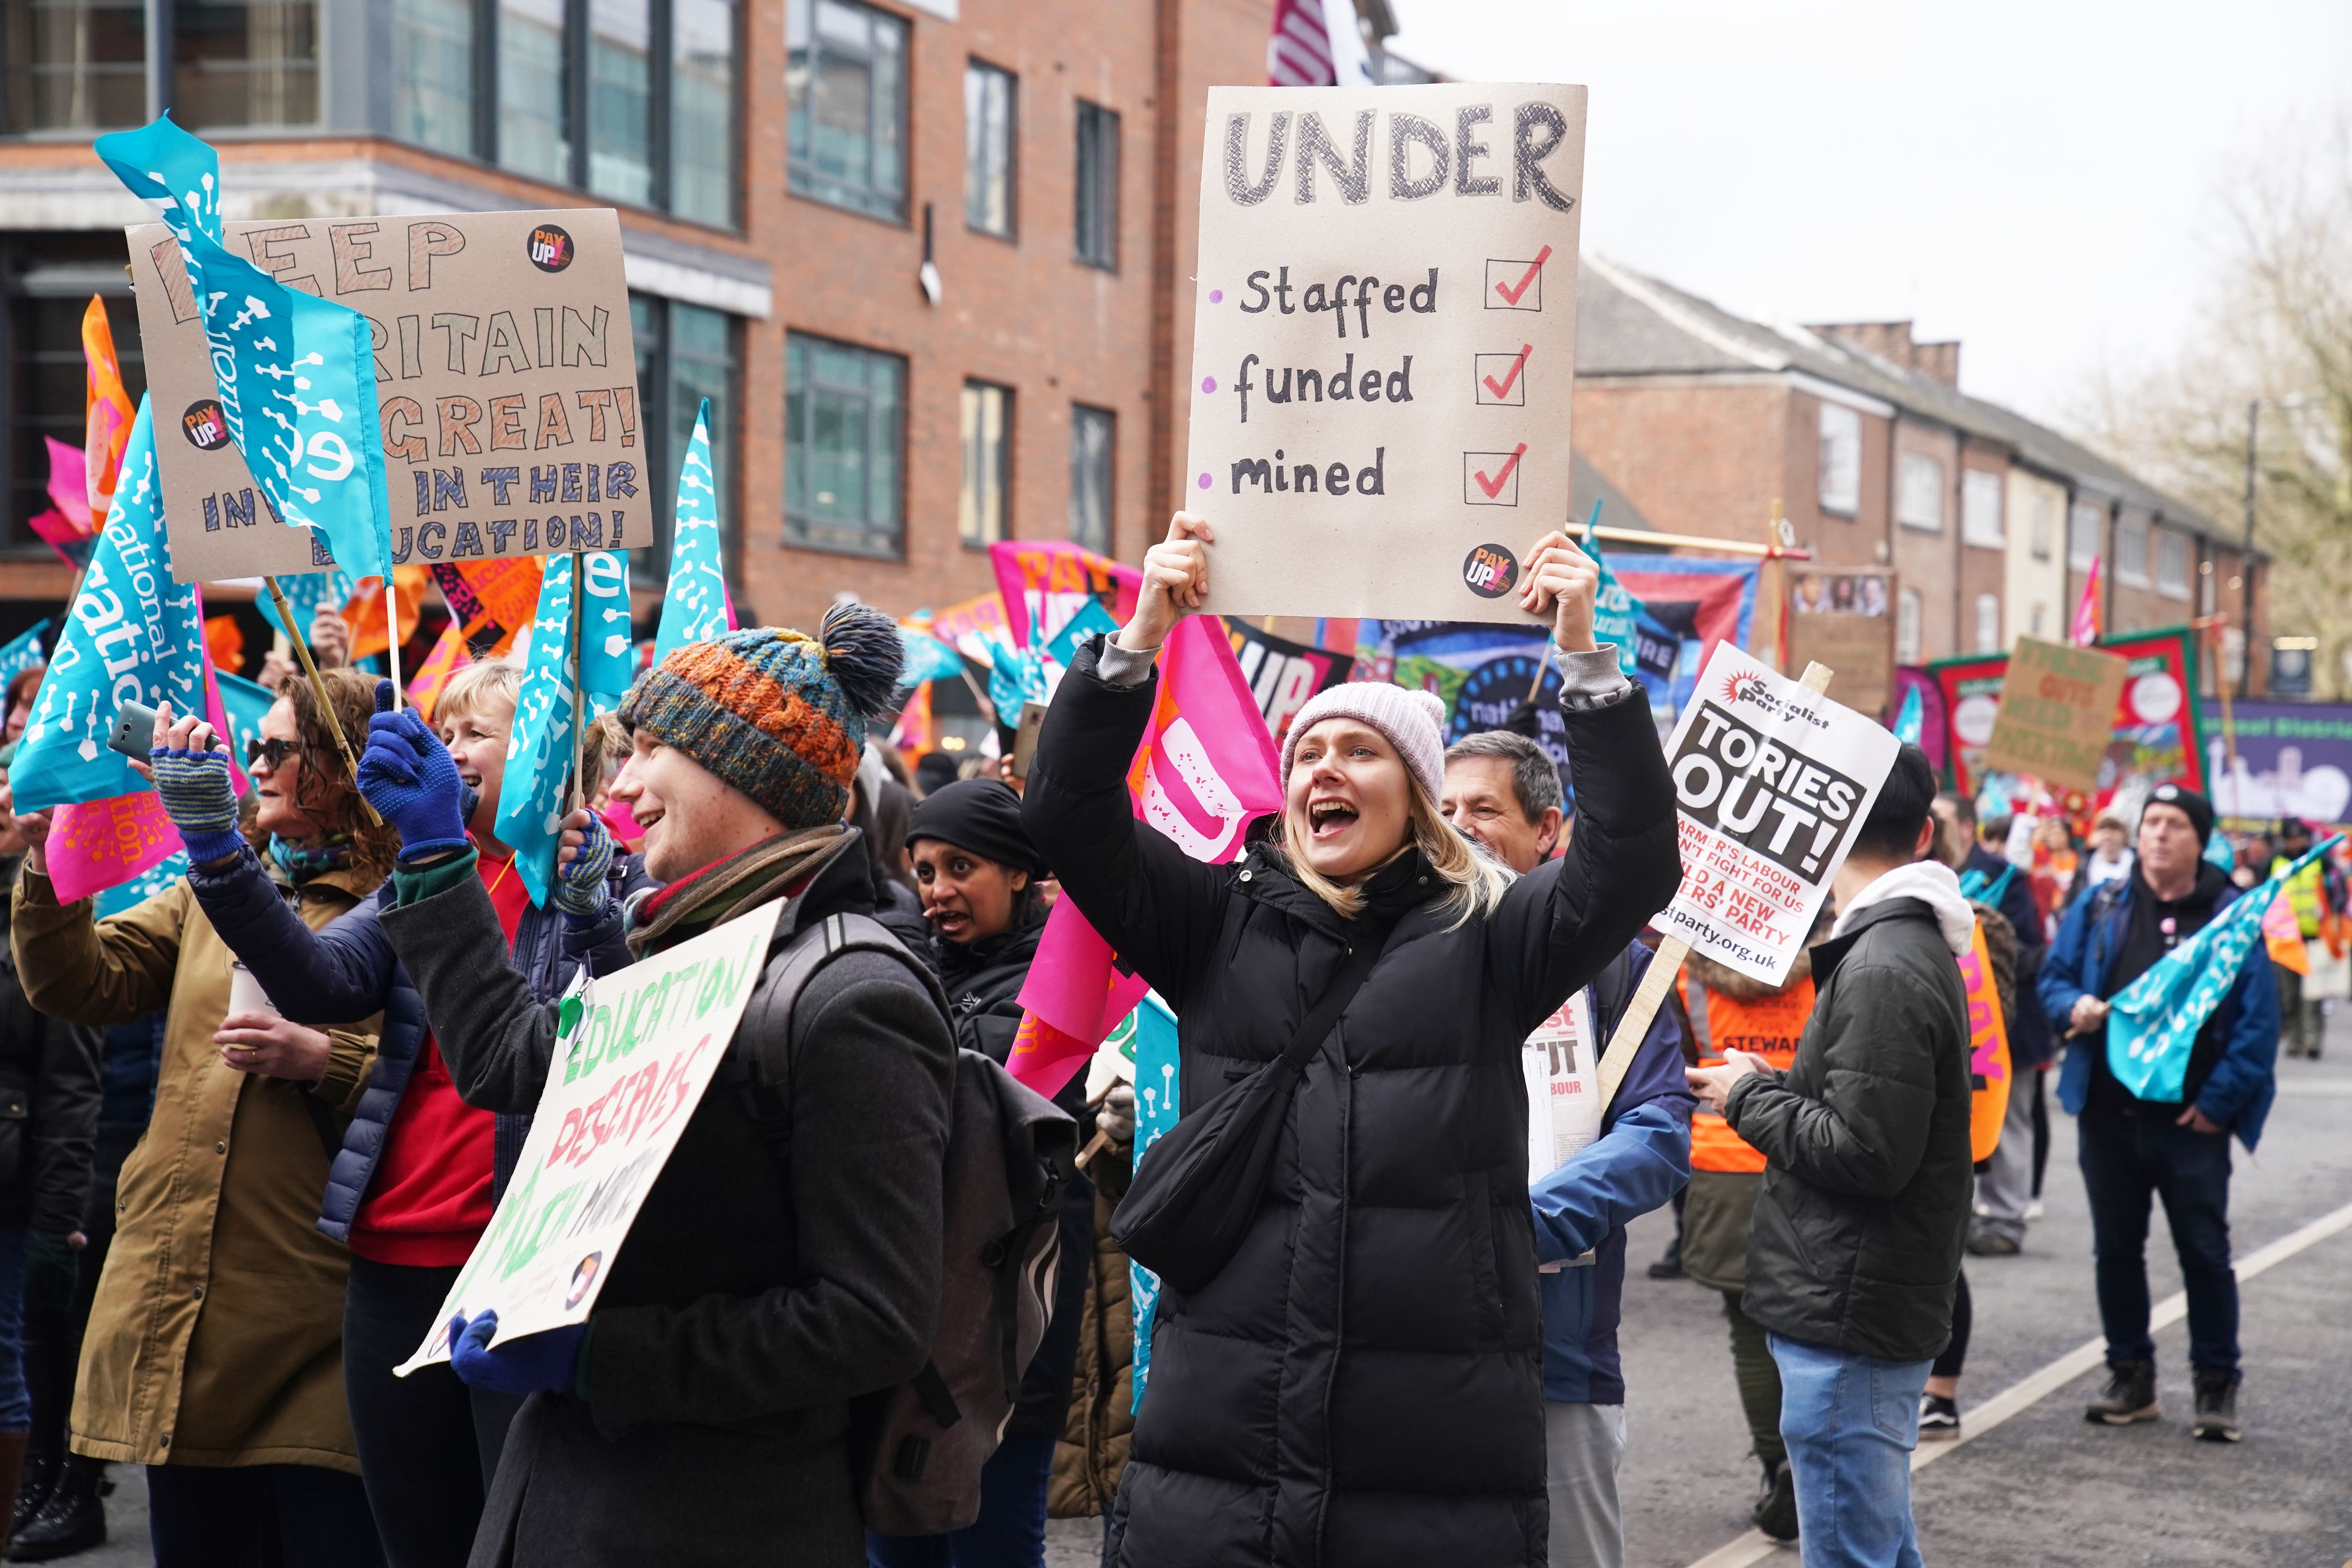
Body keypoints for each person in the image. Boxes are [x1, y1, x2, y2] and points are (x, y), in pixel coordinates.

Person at [1021, 513, 1680, 1567]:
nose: (1325, 767)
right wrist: (1140, 636)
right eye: (1308, 752)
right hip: (1223, 1447)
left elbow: (1637, 858)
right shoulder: (1210, 922)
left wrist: (1586, 657)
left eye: (1361, 751)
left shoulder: (1492, 937)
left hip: (1430, 1451)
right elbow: (1064, 813)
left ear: (1418, 798)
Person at [357, 609, 958, 1565]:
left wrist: (602, 1357)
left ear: (744, 768)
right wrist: (434, 857)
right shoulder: (676, 949)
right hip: (566, 1501)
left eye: (650, 750)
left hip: (714, 1525)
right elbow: (508, 1059)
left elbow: (870, 1321)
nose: (624, 785)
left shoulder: (855, 996)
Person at [141, 659, 644, 1568]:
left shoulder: (606, 879)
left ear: (544, 752)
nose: (447, 753)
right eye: (442, 733)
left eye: (473, 734)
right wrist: (217, 850)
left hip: (513, 1278)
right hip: (386, 1269)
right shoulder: (428, 873)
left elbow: (619, 1054)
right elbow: (316, 979)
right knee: (414, 1543)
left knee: (517, 1543)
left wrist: (598, 922)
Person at [11, 667, 393, 1566]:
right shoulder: (213, 892)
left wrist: (323, 1058)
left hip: (316, 1317)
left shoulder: (405, 903)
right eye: (253, 746)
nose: (254, 766)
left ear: (341, 767)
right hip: (186, 1310)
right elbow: (78, 981)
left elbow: (459, 1083)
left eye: (278, 748)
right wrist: (48, 862)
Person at [1686, 744, 1972, 1568]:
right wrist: (1770, 1081)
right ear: (1923, 833)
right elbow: (1867, 1104)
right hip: (1858, 1297)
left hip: (1851, 1303)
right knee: (1876, 1545)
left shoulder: (1883, 960)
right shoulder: (1900, 942)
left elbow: (1866, 1153)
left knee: (1852, 1551)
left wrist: (1749, 1098)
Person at [1440, 730, 1692, 1568]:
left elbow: (1656, 1136)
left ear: (1549, 829)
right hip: (1408, 1344)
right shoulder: (1393, 958)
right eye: (1442, 808)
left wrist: (1515, 1226)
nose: (1459, 825)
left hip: (1561, 1355)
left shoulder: (1617, 969)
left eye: (1484, 808)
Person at [875, 778, 1087, 1568]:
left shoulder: (1065, 987)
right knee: (895, 1542)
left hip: (1007, 1327)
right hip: (905, 1314)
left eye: (961, 867)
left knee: (992, 1544)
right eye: (924, 871)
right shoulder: (900, 967)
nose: (938, 891)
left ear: (1020, 874)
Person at [2039, 782, 2277, 1443]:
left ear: (2201, 839)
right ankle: (2131, 1376)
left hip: (2191, 1123)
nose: (2158, 835)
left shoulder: (2232, 914)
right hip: (2109, 1116)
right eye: (2151, 823)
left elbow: (2259, 1022)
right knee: (2116, 1249)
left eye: (2174, 825)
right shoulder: (2104, 903)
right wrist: (2073, 1007)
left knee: (2204, 1252)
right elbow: (2052, 978)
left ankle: (2215, 1386)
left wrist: (2217, 1106)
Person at [1668, 916, 1827, 1543]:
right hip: (1812, 1154)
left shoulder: (1688, 974)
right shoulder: (1836, 968)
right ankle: (1820, 1466)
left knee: (1747, 1327)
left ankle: (1778, 1465)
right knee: (1817, 1327)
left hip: (1727, 1160)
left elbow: (1672, 1073)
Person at [0, 777, 102, 1540]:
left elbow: (72, 1081)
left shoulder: (46, 913)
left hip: (12, 1184)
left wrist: (56, 1217)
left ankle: (44, 1484)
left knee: (14, 1361)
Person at [1933, 792, 2049, 1257]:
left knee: (2009, 1121)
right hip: (1947, 1024)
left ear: (1964, 828)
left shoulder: (2006, 879)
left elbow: (2029, 953)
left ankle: (2005, 1219)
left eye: (1937, 819)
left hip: (2003, 1025)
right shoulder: (1923, 876)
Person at [2270, 818, 2325, 1058]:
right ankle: (2295, 1039)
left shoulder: (2320, 861)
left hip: (2315, 936)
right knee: (2289, 995)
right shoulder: (2274, 863)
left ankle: (2313, 1041)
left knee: (2313, 995)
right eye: (2290, 837)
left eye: (2298, 837)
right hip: (2284, 940)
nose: (2295, 842)